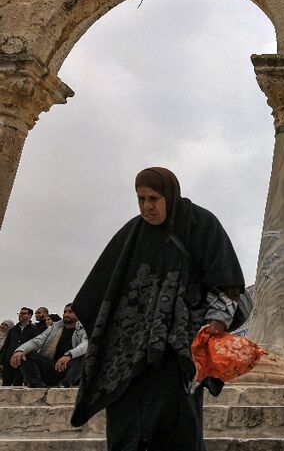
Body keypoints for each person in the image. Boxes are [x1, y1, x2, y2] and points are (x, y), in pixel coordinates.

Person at [70, 167, 246, 451]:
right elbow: (100, 292)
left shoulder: (200, 225)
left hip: (178, 353)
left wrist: (215, 322)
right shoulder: (132, 234)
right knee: (128, 432)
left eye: (153, 198)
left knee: (177, 432)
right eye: (140, 199)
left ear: (170, 194)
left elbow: (227, 283)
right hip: (128, 357)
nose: (147, 207)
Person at [9, 304, 87, 388]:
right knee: (27, 354)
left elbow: (86, 344)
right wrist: (20, 350)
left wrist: (69, 355)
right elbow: (36, 341)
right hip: (55, 368)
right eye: (65, 312)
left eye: (70, 312)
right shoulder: (55, 328)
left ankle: (65, 384)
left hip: (74, 371)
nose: (66, 314)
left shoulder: (86, 328)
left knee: (84, 357)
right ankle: (36, 384)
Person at [0, 308, 37, 386]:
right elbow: (6, 345)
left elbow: (35, 345)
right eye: (19, 313)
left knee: (18, 385)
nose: (20, 315)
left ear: (29, 315)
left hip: (23, 361)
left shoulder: (34, 329)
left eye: (23, 313)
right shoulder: (13, 329)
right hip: (9, 360)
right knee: (6, 384)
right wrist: (1, 360)